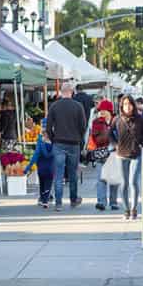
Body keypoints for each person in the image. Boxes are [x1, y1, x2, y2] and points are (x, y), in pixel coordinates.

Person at [45, 82, 89, 212]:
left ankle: (58, 203)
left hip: (58, 143)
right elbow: (83, 125)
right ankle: (73, 199)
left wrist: (54, 139)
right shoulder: (78, 106)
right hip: (73, 143)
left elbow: (48, 127)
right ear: (72, 92)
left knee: (58, 174)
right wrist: (79, 138)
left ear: (61, 92)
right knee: (72, 173)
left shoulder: (54, 106)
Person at [112, 94, 143, 220]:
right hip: (121, 154)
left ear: (133, 105)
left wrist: (141, 145)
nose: (127, 107)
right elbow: (110, 134)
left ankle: (134, 209)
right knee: (124, 183)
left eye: (129, 104)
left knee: (133, 181)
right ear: (121, 106)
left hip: (135, 154)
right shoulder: (117, 119)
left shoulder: (139, 119)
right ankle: (126, 210)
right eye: (125, 104)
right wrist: (115, 145)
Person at [90, 99, 118, 212]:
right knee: (101, 179)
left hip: (115, 153)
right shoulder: (97, 122)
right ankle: (101, 202)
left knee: (114, 179)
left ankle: (113, 202)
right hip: (101, 153)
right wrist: (109, 133)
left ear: (110, 111)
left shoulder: (117, 121)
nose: (101, 112)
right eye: (100, 110)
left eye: (104, 110)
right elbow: (97, 139)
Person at [25, 132, 54, 209]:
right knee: (48, 184)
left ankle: (42, 199)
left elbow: (35, 156)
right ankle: (46, 201)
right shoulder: (55, 143)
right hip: (50, 167)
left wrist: (27, 168)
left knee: (42, 183)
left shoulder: (40, 143)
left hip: (41, 167)